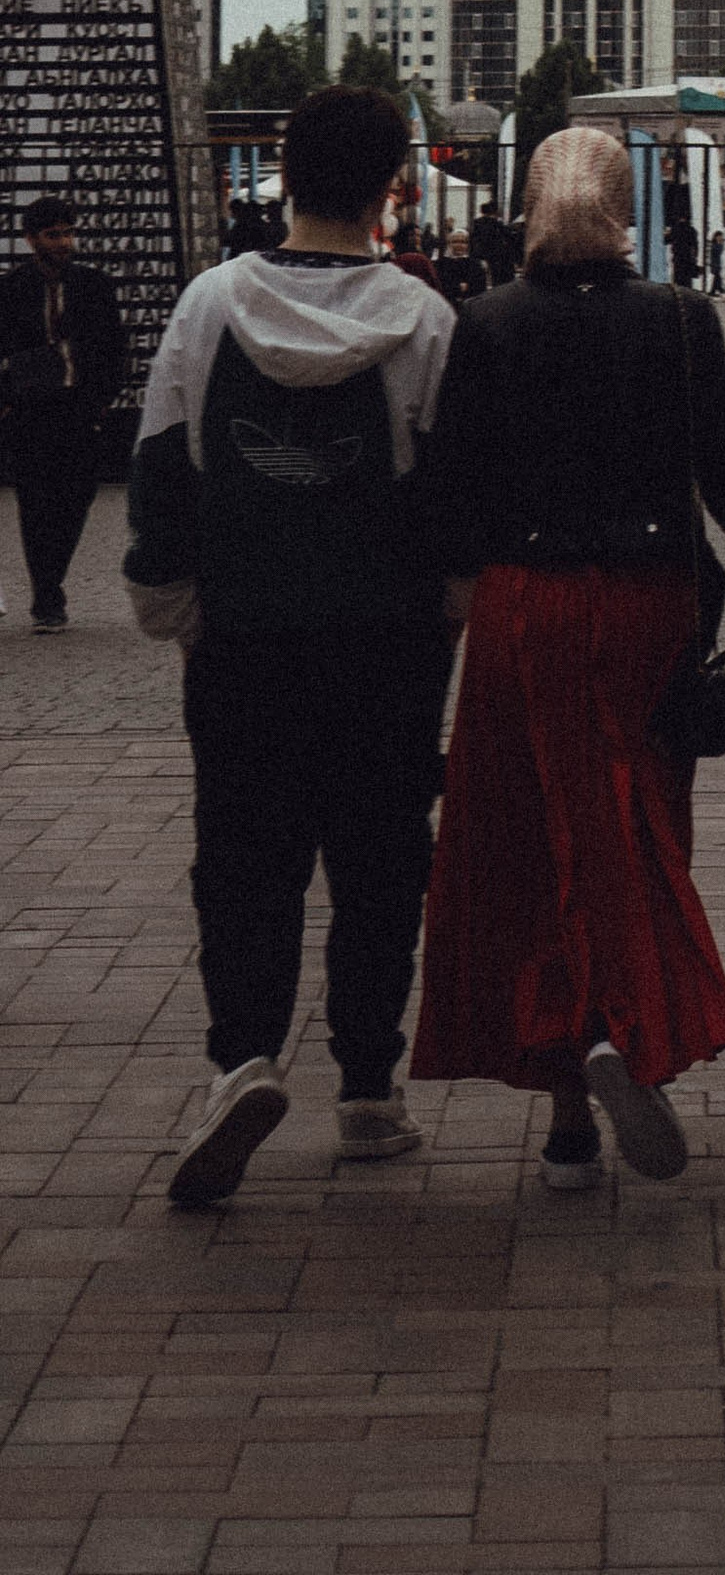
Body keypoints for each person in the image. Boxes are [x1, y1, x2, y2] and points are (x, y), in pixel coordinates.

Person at [411, 125, 725, 1188]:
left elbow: (450, 489)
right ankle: (620, 1025)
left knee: (534, 837)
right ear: (624, 209)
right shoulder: (681, 323)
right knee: (634, 825)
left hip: (523, 606)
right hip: (649, 607)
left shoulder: (485, 323)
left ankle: (567, 1112)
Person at [124, 86, 459, 1210]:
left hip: (245, 638)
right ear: (392, 183)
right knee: (379, 862)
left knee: (243, 857)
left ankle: (242, 1063)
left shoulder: (211, 305)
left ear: (280, 167)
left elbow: (164, 463)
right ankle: (369, 1089)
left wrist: (173, 606)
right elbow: (455, 497)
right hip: (387, 645)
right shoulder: (423, 320)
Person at [0, 192, 128, 627]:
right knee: (35, 505)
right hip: (31, 411)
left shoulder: (94, 286)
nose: (64, 243)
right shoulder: (11, 290)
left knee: (77, 498)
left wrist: (100, 403)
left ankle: (52, 576)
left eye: (69, 233)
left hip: (80, 409)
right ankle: (46, 595)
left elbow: (115, 349)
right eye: (54, 235)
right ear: (31, 238)